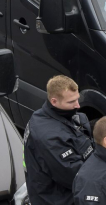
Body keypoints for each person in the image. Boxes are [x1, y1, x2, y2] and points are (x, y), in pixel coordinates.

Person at [23, 75, 94, 205]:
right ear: (54, 101)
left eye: (77, 99)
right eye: (71, 102)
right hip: (58, 199)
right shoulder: (48, 136)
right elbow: (75, 176)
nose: (77, 105)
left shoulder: (64, 117)